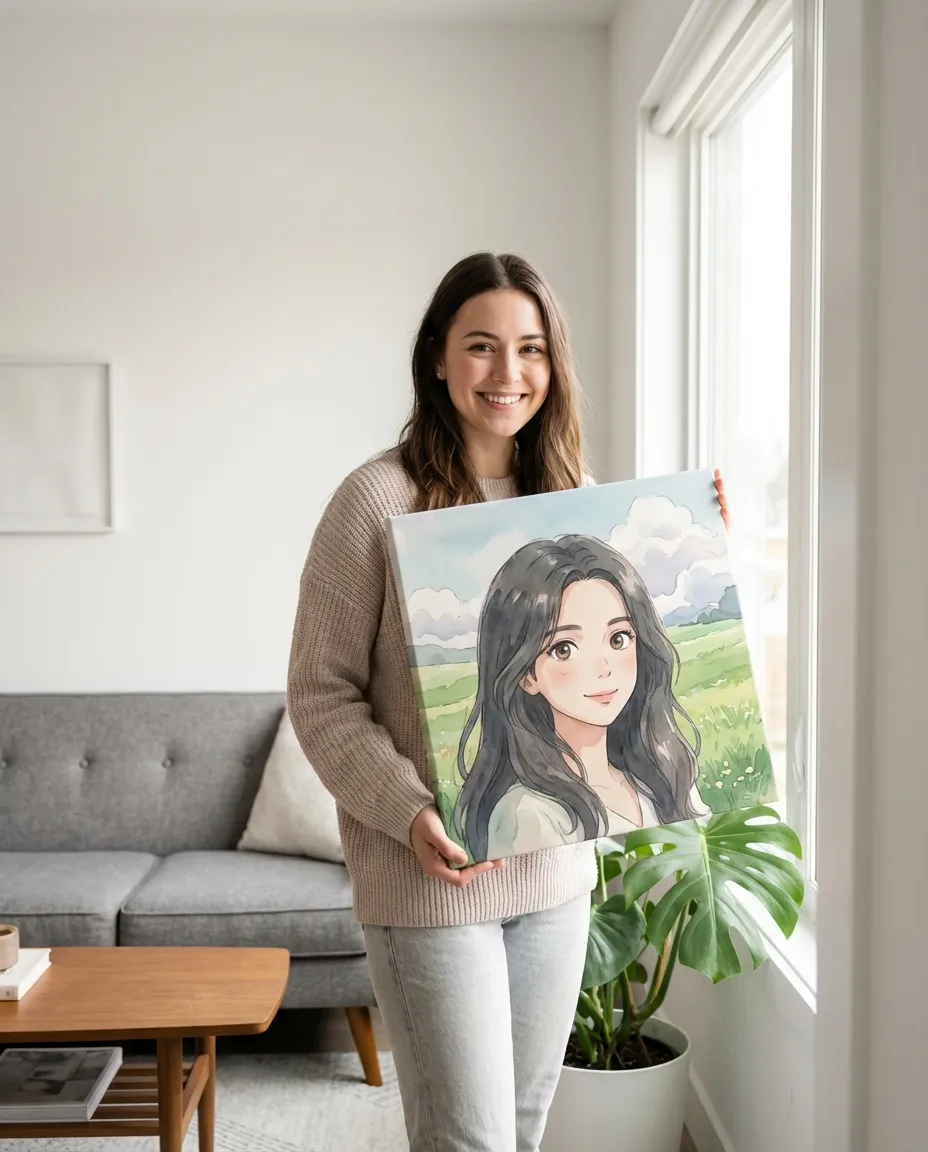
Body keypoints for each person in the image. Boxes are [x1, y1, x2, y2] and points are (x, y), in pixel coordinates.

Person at [287, 251, 729, 1152]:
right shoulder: (374, 501)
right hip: (429, 884)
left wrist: (710, 524)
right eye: (481, 347)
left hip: (556, 878)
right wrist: (410, 811)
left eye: (529, 349)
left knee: (522, 1134)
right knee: (469, 1141)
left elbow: (636, 644)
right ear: (438, 359)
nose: (508, 373)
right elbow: (320, 696)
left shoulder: (571, 499)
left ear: (552, 365)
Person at [455, 533, 707, 863]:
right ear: (526, 675)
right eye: (564, 648)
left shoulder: (665, 775)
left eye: (618, 639)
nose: (603, 669)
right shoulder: (530, 812)